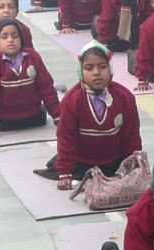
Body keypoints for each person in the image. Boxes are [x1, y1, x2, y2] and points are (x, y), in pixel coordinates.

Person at [40, 42, 141, 187]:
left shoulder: (125, 97)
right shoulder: (72, 100)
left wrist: (133, 166)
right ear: (80, 71)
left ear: (111, 69)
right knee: (64, 167)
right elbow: (66, 138)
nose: (96, 72)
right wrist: (64, 172)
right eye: (89, 68)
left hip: (114, 162)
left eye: (103, 66)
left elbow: (132, 136)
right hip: (82, 162)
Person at [0, 18, 59, 141]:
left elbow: (47, 89)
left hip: (32, 118)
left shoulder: (33, 57)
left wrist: (58, 117)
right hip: (2, 119)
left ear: (21, 40)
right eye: (4, 37)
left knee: (42, 110)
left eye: (15, 36)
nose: (11, 40)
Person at [94, 0, 152, 72]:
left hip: (136, 35)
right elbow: (106, 20)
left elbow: (149, 14)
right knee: (99, 25)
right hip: (115, 36)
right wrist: (103, 45)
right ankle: (94, 25)